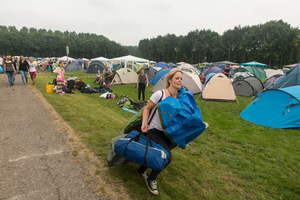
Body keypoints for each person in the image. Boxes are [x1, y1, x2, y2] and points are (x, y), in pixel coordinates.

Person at [138, 69, 183, 195]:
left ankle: (141, 170)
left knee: (157, 152)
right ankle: (151, 178)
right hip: (154, 130)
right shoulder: (160, 94)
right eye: (177, 78)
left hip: (168, 132)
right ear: (170, 80)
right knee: (167, 157)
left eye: (181, 79)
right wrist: (144, 124)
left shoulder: (179, 97)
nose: (179, 80)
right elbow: (146, 109)